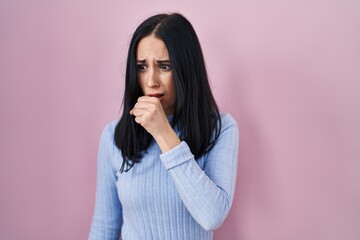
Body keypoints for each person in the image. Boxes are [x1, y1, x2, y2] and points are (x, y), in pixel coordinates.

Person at [89, 12, 239, 240]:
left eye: (164, 66)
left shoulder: (221, 129)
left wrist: (163, 133)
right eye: (142, 67)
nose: (151, 81)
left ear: (186, 69)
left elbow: (212, 216)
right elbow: (104, 229)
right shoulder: (113, 136)